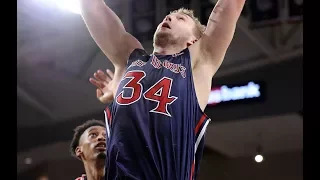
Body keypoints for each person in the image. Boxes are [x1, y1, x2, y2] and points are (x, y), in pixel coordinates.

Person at [81, 0, 246, 179]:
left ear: (194, 40)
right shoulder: (128, 58)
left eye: (181, 19)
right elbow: (92, 7)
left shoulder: (199, 62)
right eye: (168, 16)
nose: (168, 17)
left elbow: (229, 6)